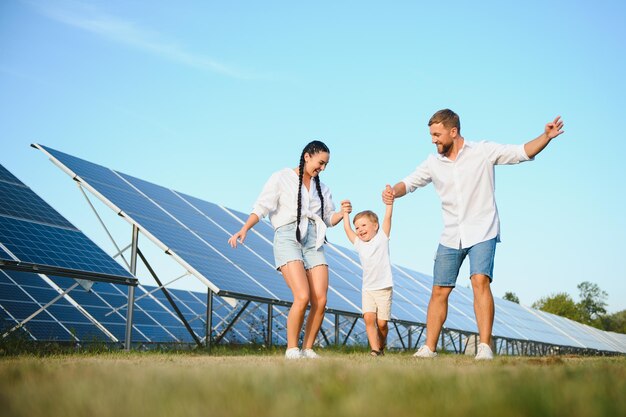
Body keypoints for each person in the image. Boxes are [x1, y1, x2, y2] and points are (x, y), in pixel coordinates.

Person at [382, 109, 564, 360]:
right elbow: (410, 182)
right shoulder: (433, 163)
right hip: (450, 235)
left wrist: (545, 137)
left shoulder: (482, 151)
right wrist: (394, 191)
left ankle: (485, 347)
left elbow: (521, 152)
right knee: (439, 291)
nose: (433, 140)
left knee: (480, 281)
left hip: (483, 229)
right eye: (431, 135)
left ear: (453, 131)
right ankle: (429, 348)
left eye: (437, 134)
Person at [228, 140, 343, 359]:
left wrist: (342, 213)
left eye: (326, 165)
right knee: (302, 296)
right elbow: (262, 206)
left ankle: (308, 349)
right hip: (288, 236)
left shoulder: (323, 189)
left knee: (321, 299)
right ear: (307, 156)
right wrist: (244, 229)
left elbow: (328, 218)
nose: (323, 168)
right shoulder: (281, 177)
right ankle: (292, 349)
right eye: (320, 162)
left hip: (313, 240)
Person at [341, 192, 394, 357]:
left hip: (384, 288)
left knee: (382, 323)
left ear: (375, 226)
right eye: (358, 227)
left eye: (363, 225)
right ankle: (374, 350)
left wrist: (389, 204)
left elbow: (388, 218)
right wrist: (345, 214)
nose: (359, 230)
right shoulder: (359, 244)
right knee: (369, 319)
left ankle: (381, 345)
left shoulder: (382, 238)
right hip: (368, 289)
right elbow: (347, 229)